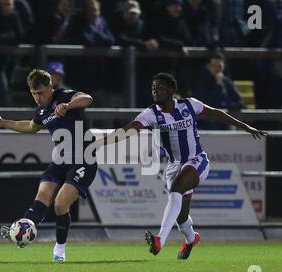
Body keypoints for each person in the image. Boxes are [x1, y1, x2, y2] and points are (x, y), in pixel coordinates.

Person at [100, 73, 267, 259]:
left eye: (160, 88)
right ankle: (191, 238)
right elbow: (127, 131)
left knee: (176, 189)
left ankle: (160, 240)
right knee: (180, 217)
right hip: (174, 166)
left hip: (197, 160)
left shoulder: (189, 105)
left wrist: (245, 126)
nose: (155, 91)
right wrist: (99, 143)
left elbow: (216, 114)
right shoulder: (151, 114)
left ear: (172, 91)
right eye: (153, 88)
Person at [0, 69, 97, 262]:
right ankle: (24, 227)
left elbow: (87, 98)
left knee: (61, 204)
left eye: (41, 92)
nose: (38, 97)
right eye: (33, 93)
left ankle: (59, 250)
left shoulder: (64, 96)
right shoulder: (41, 112)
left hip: (84, 160)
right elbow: (30, 127)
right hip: (61, 161)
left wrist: (68, 105)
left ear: (50, 87)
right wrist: (3, 123)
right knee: (42, 197)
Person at [193, 52, 244, 130]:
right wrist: (218, 86)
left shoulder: (227, 82)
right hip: (207, 123)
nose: (217, 69)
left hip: (226, 121)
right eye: (214, 66)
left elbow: (238, 102)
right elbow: (209, 104)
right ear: (208, 66)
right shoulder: (202, 83)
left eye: (220, 66)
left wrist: (227, 106)